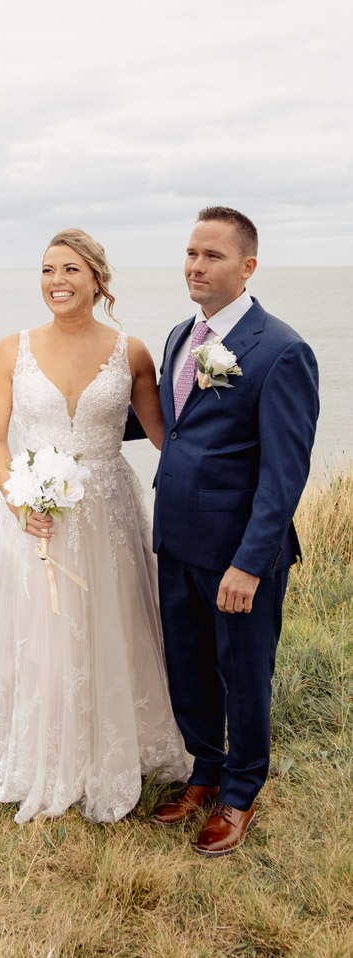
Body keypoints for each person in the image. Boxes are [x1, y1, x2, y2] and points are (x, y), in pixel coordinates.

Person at [0, 228, 191, 824]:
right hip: (33, 514)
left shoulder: (131, 352)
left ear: (97, 279)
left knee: (112, 621)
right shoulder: (12, 349)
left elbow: (171, 439)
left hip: (109, 510)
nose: (56, 281)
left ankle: (118, 743)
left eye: (69, 270)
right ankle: (43, 748)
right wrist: (19, 502)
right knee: (39, 627)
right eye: (46, 270)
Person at [127, 207, 319, 855]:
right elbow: (171, 425)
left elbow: (283, 473)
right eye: (189, 253)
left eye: (211, 255)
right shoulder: (183, 334)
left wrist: (248, 562)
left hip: (239, 552)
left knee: (243, 673)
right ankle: (204, 773)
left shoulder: (282, 350)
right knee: (187, 667)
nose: (195, 266)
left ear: (246, 267)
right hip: (174, 539)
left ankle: (240, 794)